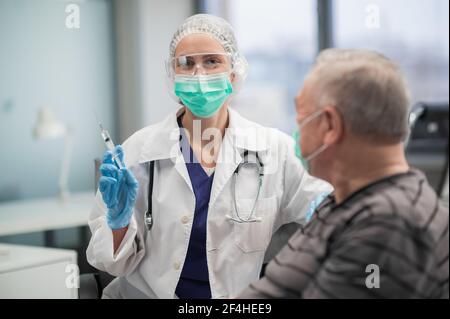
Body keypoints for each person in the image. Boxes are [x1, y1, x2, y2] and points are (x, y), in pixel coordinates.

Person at [86, 14, 331, 299]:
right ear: (173, 74)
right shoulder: (139, 150)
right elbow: (110, 263)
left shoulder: (274, 149)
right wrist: (119, 221)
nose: (199, 74)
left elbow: (329, 210)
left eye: (212, 61)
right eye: (187, 63)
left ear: (234, 71)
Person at [239, 49, 449, 299]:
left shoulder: (388, 223)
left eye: (301, 118)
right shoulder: (344, 201)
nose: (297, 133)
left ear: (330, 125)